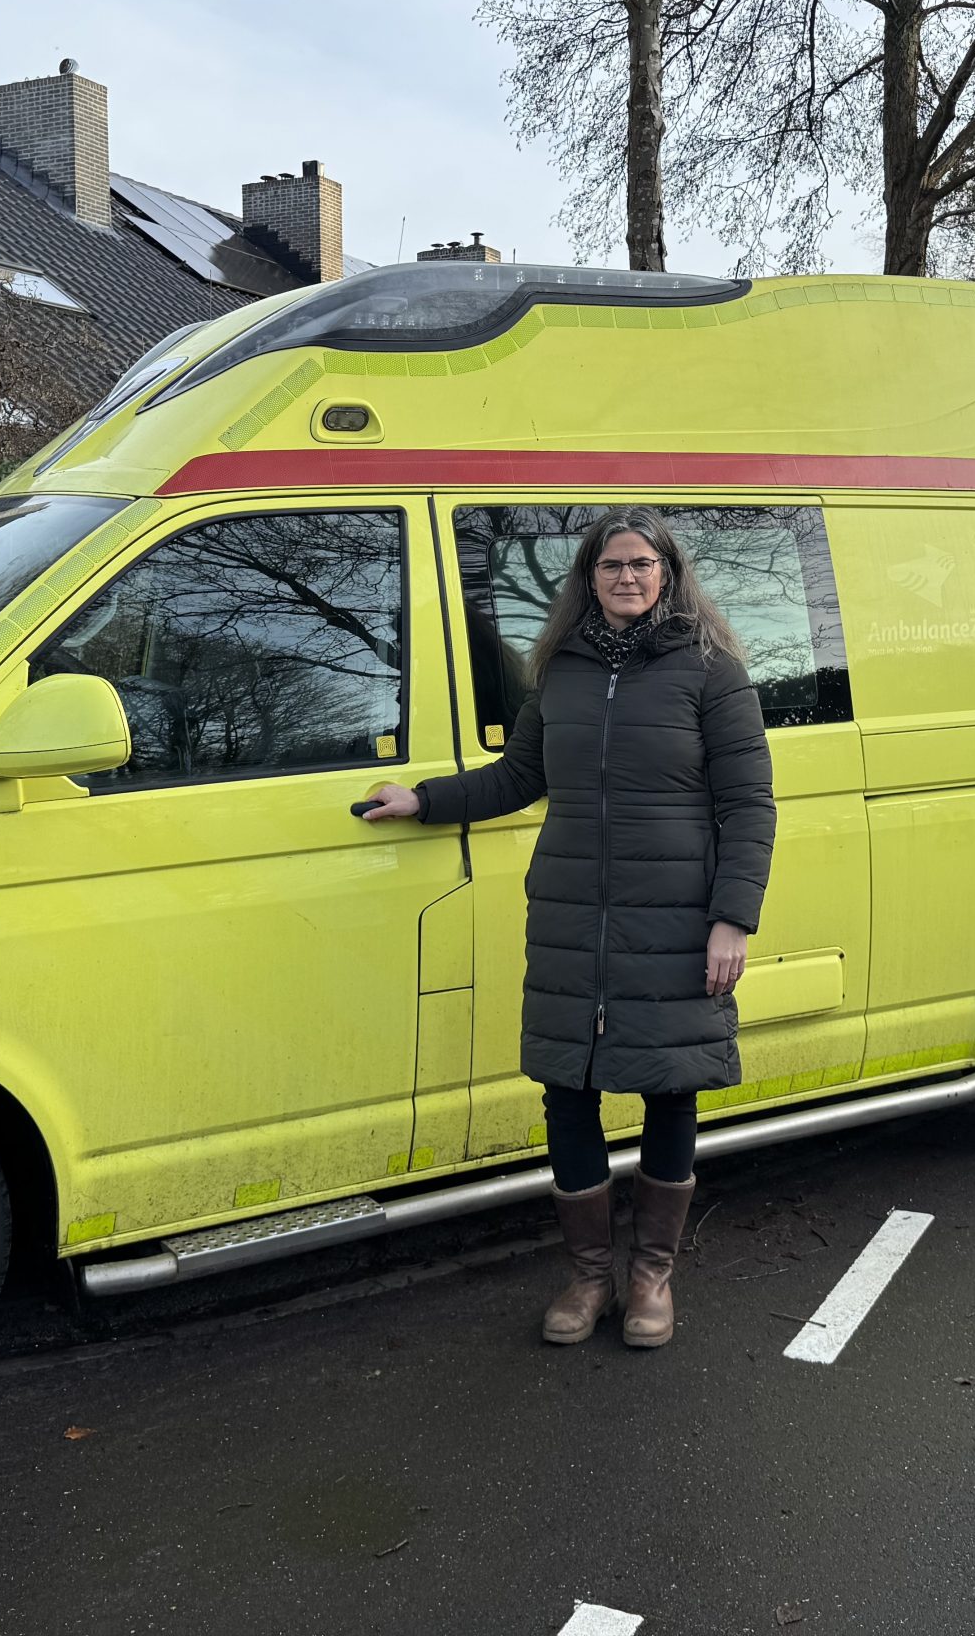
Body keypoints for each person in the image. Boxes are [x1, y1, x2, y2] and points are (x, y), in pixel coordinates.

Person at [363, 508, 775, 1348]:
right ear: (588, 578)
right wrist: (424, 800)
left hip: (674, 917)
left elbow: (748, 805)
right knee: (568, 1089)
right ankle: (589, 1277)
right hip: (569, 917)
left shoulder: (711, 671)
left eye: (643, 563)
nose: (628, 576)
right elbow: (519, 777)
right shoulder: (561, 670)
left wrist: (732, 919)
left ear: (669, 573)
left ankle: (651, 1276)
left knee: (669, 1087)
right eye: (611, 565)